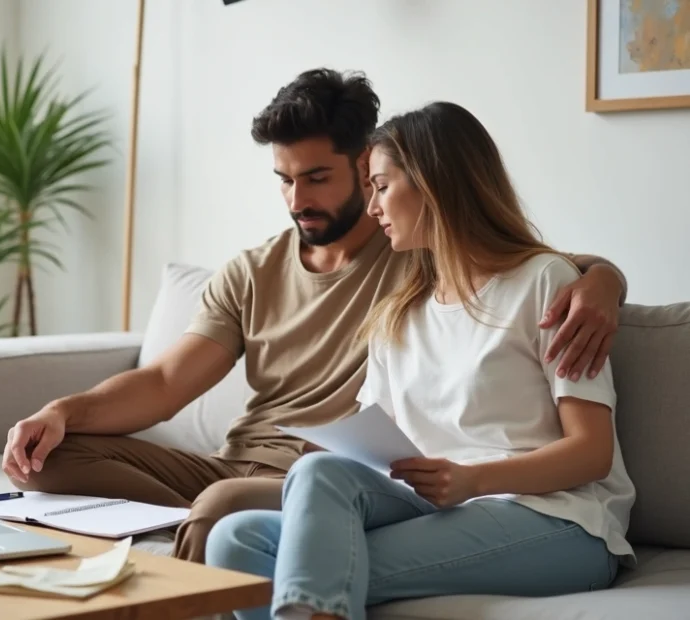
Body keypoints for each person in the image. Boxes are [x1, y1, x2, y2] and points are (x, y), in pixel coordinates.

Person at [1, 69, 628, 564]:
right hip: (233, 462)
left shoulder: (410, 252)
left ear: (366, 169)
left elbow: (515, 259)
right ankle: (217, 518)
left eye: (318, 178)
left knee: (234, 505)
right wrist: (62, 413)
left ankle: (226, 523)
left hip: (325, 473)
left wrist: (605, 280)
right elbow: (166, 384)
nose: (298, 200)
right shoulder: (252, 271)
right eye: (284, 180)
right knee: (49, 460)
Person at [203, 100, 637, 620]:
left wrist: (475, 480)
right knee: (238, 536)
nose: (372, 208)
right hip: (437, 507)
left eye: (381, 187)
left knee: (305, 564)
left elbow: (592, 454)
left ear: (433, 184)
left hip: (555, 520)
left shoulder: (546, 284)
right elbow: (366, 452)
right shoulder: (398, 314)